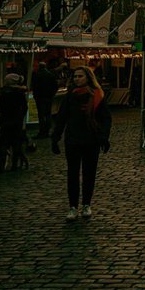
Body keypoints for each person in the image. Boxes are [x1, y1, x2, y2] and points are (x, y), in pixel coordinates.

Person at [51, 65, 112, 220]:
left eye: (80, 76)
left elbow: (105, 118)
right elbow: (61, 118)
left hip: (91, 140)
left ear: (88, 77)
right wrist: (55, 138)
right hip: (73, 140)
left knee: (89, 174)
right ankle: (72, 206)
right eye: (75, 76)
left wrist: (104, 137)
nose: (77, 79)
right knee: (72, 174)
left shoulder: (98, 95)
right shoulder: (70, 96)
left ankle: (86, 204)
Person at [0, 73, 28, 171]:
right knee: (16, 143)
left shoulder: (4, 93)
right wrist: (21, 117)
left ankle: (1, 165)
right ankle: (14, 165)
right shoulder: (20, 93)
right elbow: (25, 107)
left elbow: (0, 108)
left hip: (5, 121)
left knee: (4, 143)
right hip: (16, 121)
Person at [32, 61, 59, 138]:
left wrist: (35, 95)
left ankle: (42, 132)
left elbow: (34, 87)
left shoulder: (37, 75)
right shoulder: (50, 75)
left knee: (41, 115)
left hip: (40, 98)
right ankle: (47, 131)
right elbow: (56, 86)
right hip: (48, 98)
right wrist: (52, 94)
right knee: (48, 114)